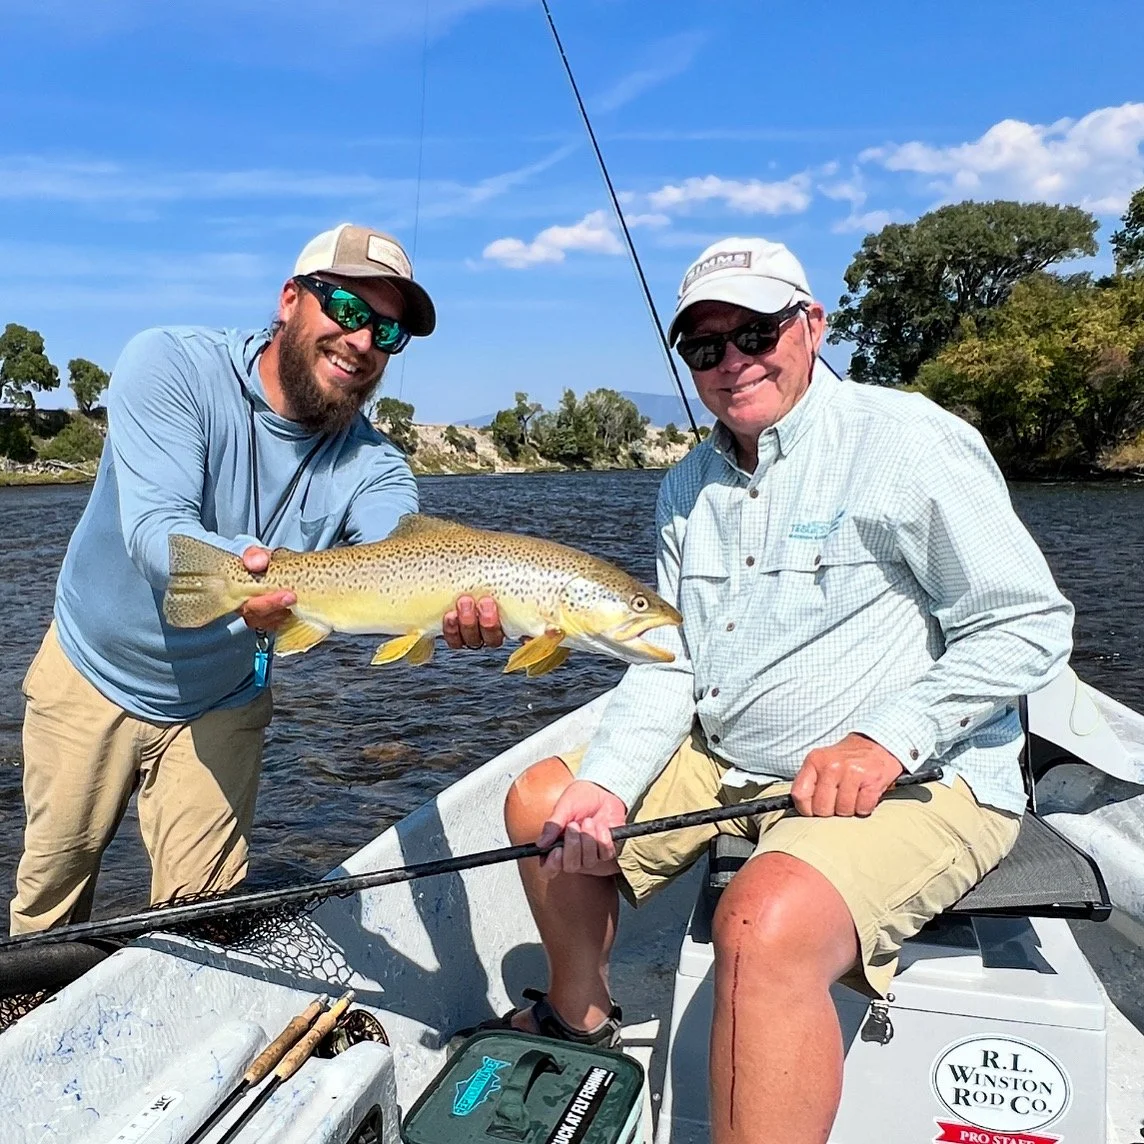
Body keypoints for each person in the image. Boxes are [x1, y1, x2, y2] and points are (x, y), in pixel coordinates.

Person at [497, 238, 1074, 1144]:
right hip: (730, 760)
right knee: (544, 807)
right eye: (705, 347)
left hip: (925, 775)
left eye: (756, 330)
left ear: (812, 325)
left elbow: (1027, 623)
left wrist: (888, 738)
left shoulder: (909, 440)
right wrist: (605, 782)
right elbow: (672, 663)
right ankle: (582, 1017)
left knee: (761, 921)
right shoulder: (685, 485)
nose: (733, 362)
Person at [11, 223, 503, 936]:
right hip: (93, 672)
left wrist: (443, 609)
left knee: (202, 924)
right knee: (46, 908)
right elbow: (155, 532)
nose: (363, 342)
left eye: (388, 333)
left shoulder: (377, 465)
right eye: (348, 309)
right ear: (289, 299)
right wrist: (254, 572)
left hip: (223, 698)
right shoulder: (169, 365)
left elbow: (397, 549)